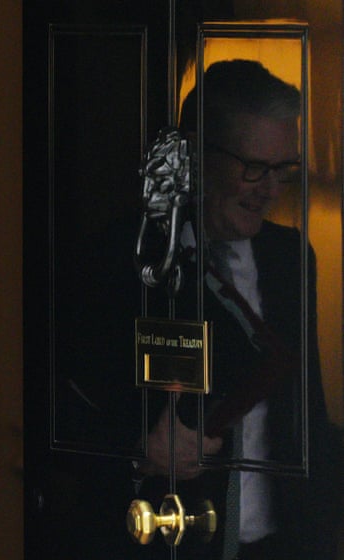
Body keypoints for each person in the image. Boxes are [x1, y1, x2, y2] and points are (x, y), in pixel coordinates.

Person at [136, 59, 341, 559]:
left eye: (283, 170)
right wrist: (140, 446)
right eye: (254, 168)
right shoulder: (135, 257)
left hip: (282, 543)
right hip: (170, 536)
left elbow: (306, 414)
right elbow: (67, 408)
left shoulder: (290, 256)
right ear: (198, 155)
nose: (271, 190)